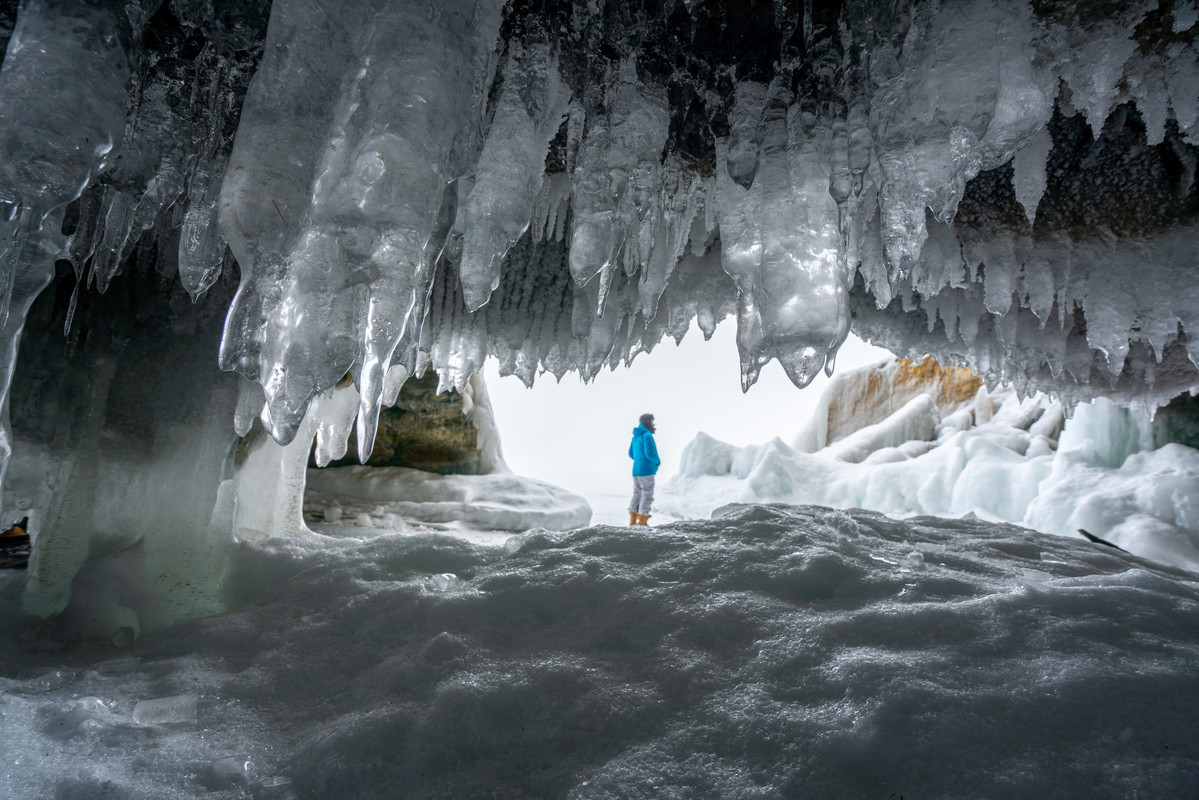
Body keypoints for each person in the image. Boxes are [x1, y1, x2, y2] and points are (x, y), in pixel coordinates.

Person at [628, 413, 660, 526]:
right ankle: (642, 520)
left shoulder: (635, 437)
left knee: (637, 493)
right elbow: (650, 453)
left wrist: (639, 460)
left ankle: (632, 518)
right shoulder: (647, 435)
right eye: (652, 421)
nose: (653, 423)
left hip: (636, 470)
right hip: (646, 470)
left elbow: (631, 454)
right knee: (647, 494)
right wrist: (657, 462)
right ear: (648, 422)